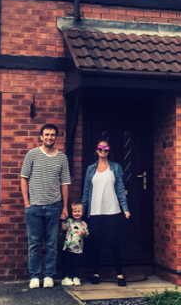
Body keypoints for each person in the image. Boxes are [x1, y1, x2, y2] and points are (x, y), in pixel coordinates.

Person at [20, 124, 70, 289]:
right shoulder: (32, 155)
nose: (49, 137)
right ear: (41, 136)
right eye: (47, 134)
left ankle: (49, 275)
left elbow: (64, 183)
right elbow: (24, 178)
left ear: (56, 137)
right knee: (34, 243)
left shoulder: (62, 158)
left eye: (52, 135)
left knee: (51, 243)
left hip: (54, 206)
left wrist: (64, 207)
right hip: (34, 206)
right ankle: (34, 276)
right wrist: (27, 203)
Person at [81, 139, 130, 286]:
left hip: (113, 212)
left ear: (109, 151)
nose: (103, 150)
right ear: (96, 150)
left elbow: (120, 189)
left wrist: (125, 208)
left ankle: (120, 275)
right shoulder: (90, 169)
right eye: (100, 148)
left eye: (106, 148)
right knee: (95, 244)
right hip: (95, 212)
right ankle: (95, 274)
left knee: (114, 243)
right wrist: (83, 209)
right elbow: (86, 191)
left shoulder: (116, 167)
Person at [60, 202, 88, 286]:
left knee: (77, 263)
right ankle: (66, 277)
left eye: (79, 211)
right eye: (75, 211)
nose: (77, 213)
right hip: (69, 247)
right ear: (72, 213)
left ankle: (76, 277)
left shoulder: (84, 224)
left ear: (82, 212)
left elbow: (87, 235)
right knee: (68, 263)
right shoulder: (70, 221)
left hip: (79, 248)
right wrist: (63, 220)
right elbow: (64, 228)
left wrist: (84, 234)